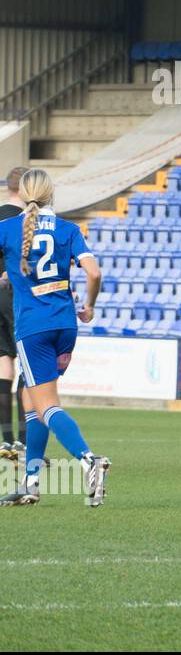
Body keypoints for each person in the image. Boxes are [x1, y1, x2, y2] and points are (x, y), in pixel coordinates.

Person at [0, 169, 110, 507]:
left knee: (46, 405)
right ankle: (30, 482)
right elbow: (94, 271)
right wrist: (89, 306)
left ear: (20, 193)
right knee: (34, 403)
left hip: (34, 326)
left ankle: (89, 460)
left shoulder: (6, 228)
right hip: (65, 325)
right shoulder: (68, 229)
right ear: (51, 194)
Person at [0, 166, 27, 461]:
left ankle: (6, 440)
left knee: (3, 367)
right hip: (19, 297)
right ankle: (23, 440)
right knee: (28, 369)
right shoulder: (26, 222)